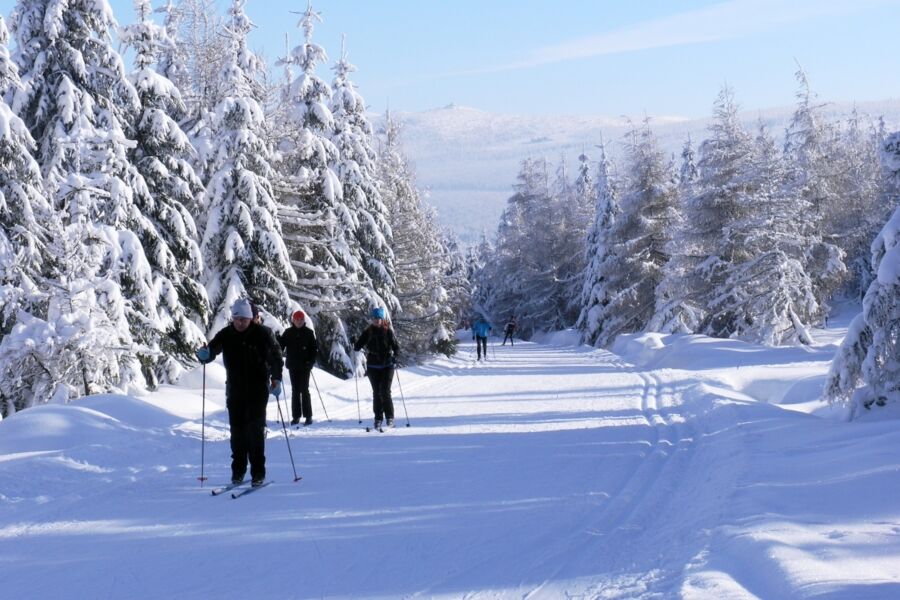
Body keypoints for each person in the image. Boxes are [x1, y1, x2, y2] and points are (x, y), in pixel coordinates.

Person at [195, 298, 283, 487]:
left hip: (258, 388)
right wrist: (205, 354)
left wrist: (276, 378)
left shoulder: (263, 334)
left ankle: (258, 472)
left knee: (255, 431)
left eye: (243, 319)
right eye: (236, 319)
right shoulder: (226, 334)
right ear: (233, 318)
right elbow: (213, 349)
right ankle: (238, 471)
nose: (240, 322)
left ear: (251, 318)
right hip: (235, 389)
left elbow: (276, 357)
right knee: (237, 432)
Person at [353, 307, 400, 429]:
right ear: (372, 319)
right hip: (373, 365)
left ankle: (389, 417)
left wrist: (395, 356)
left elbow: (396, 347)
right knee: (376, 393)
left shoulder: (388, 331)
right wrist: (355, 342)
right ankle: (378, 418)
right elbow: (358, 346)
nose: (376, 320)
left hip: (387, 364)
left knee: (385, 391)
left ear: (382, 319)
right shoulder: (368, 331)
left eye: (378, 318)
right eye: (374, 318)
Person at [278, 310, 318, 426]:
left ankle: (308, 416)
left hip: (305, 366)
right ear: (293, 320)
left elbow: (314, 349)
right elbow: (281, 346)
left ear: (303, 320)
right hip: (293, 366)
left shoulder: (309, 333)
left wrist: (311, 362)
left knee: (304, 390)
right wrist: (277, 339)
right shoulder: (288, 332)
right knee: (295, 391)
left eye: (301, 320)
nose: (299, 322)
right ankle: (296, 417)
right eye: (297, 320)